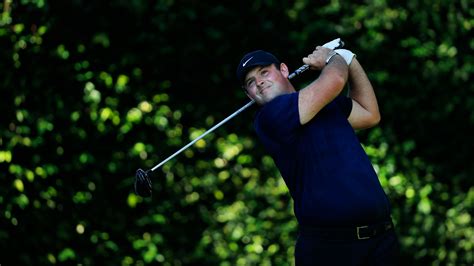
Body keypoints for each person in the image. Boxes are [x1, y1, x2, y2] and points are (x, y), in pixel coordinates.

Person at [236, 43, 400, 265]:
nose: (260, 82)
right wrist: (333, 58)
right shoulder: (270, 118)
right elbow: (334, 80)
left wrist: (349, 59)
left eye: (264, 72)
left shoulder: (325, 105)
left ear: (284, 70)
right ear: (249, 95)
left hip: (381, 241)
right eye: (251, 83)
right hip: (331, 249)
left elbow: (369, 113)